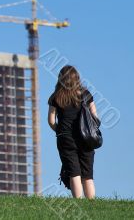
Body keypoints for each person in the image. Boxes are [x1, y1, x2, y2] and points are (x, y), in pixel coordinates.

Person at [47, 65, 98, 199]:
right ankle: (92, 204)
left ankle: (79, 201)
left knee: (74, 173)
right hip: (86, 138)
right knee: (87, 175)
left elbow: (51, 120)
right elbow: (96, 118)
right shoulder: (86, 94)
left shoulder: (56, 97)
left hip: (66, 138)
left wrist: (60, 131)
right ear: (77, 79)